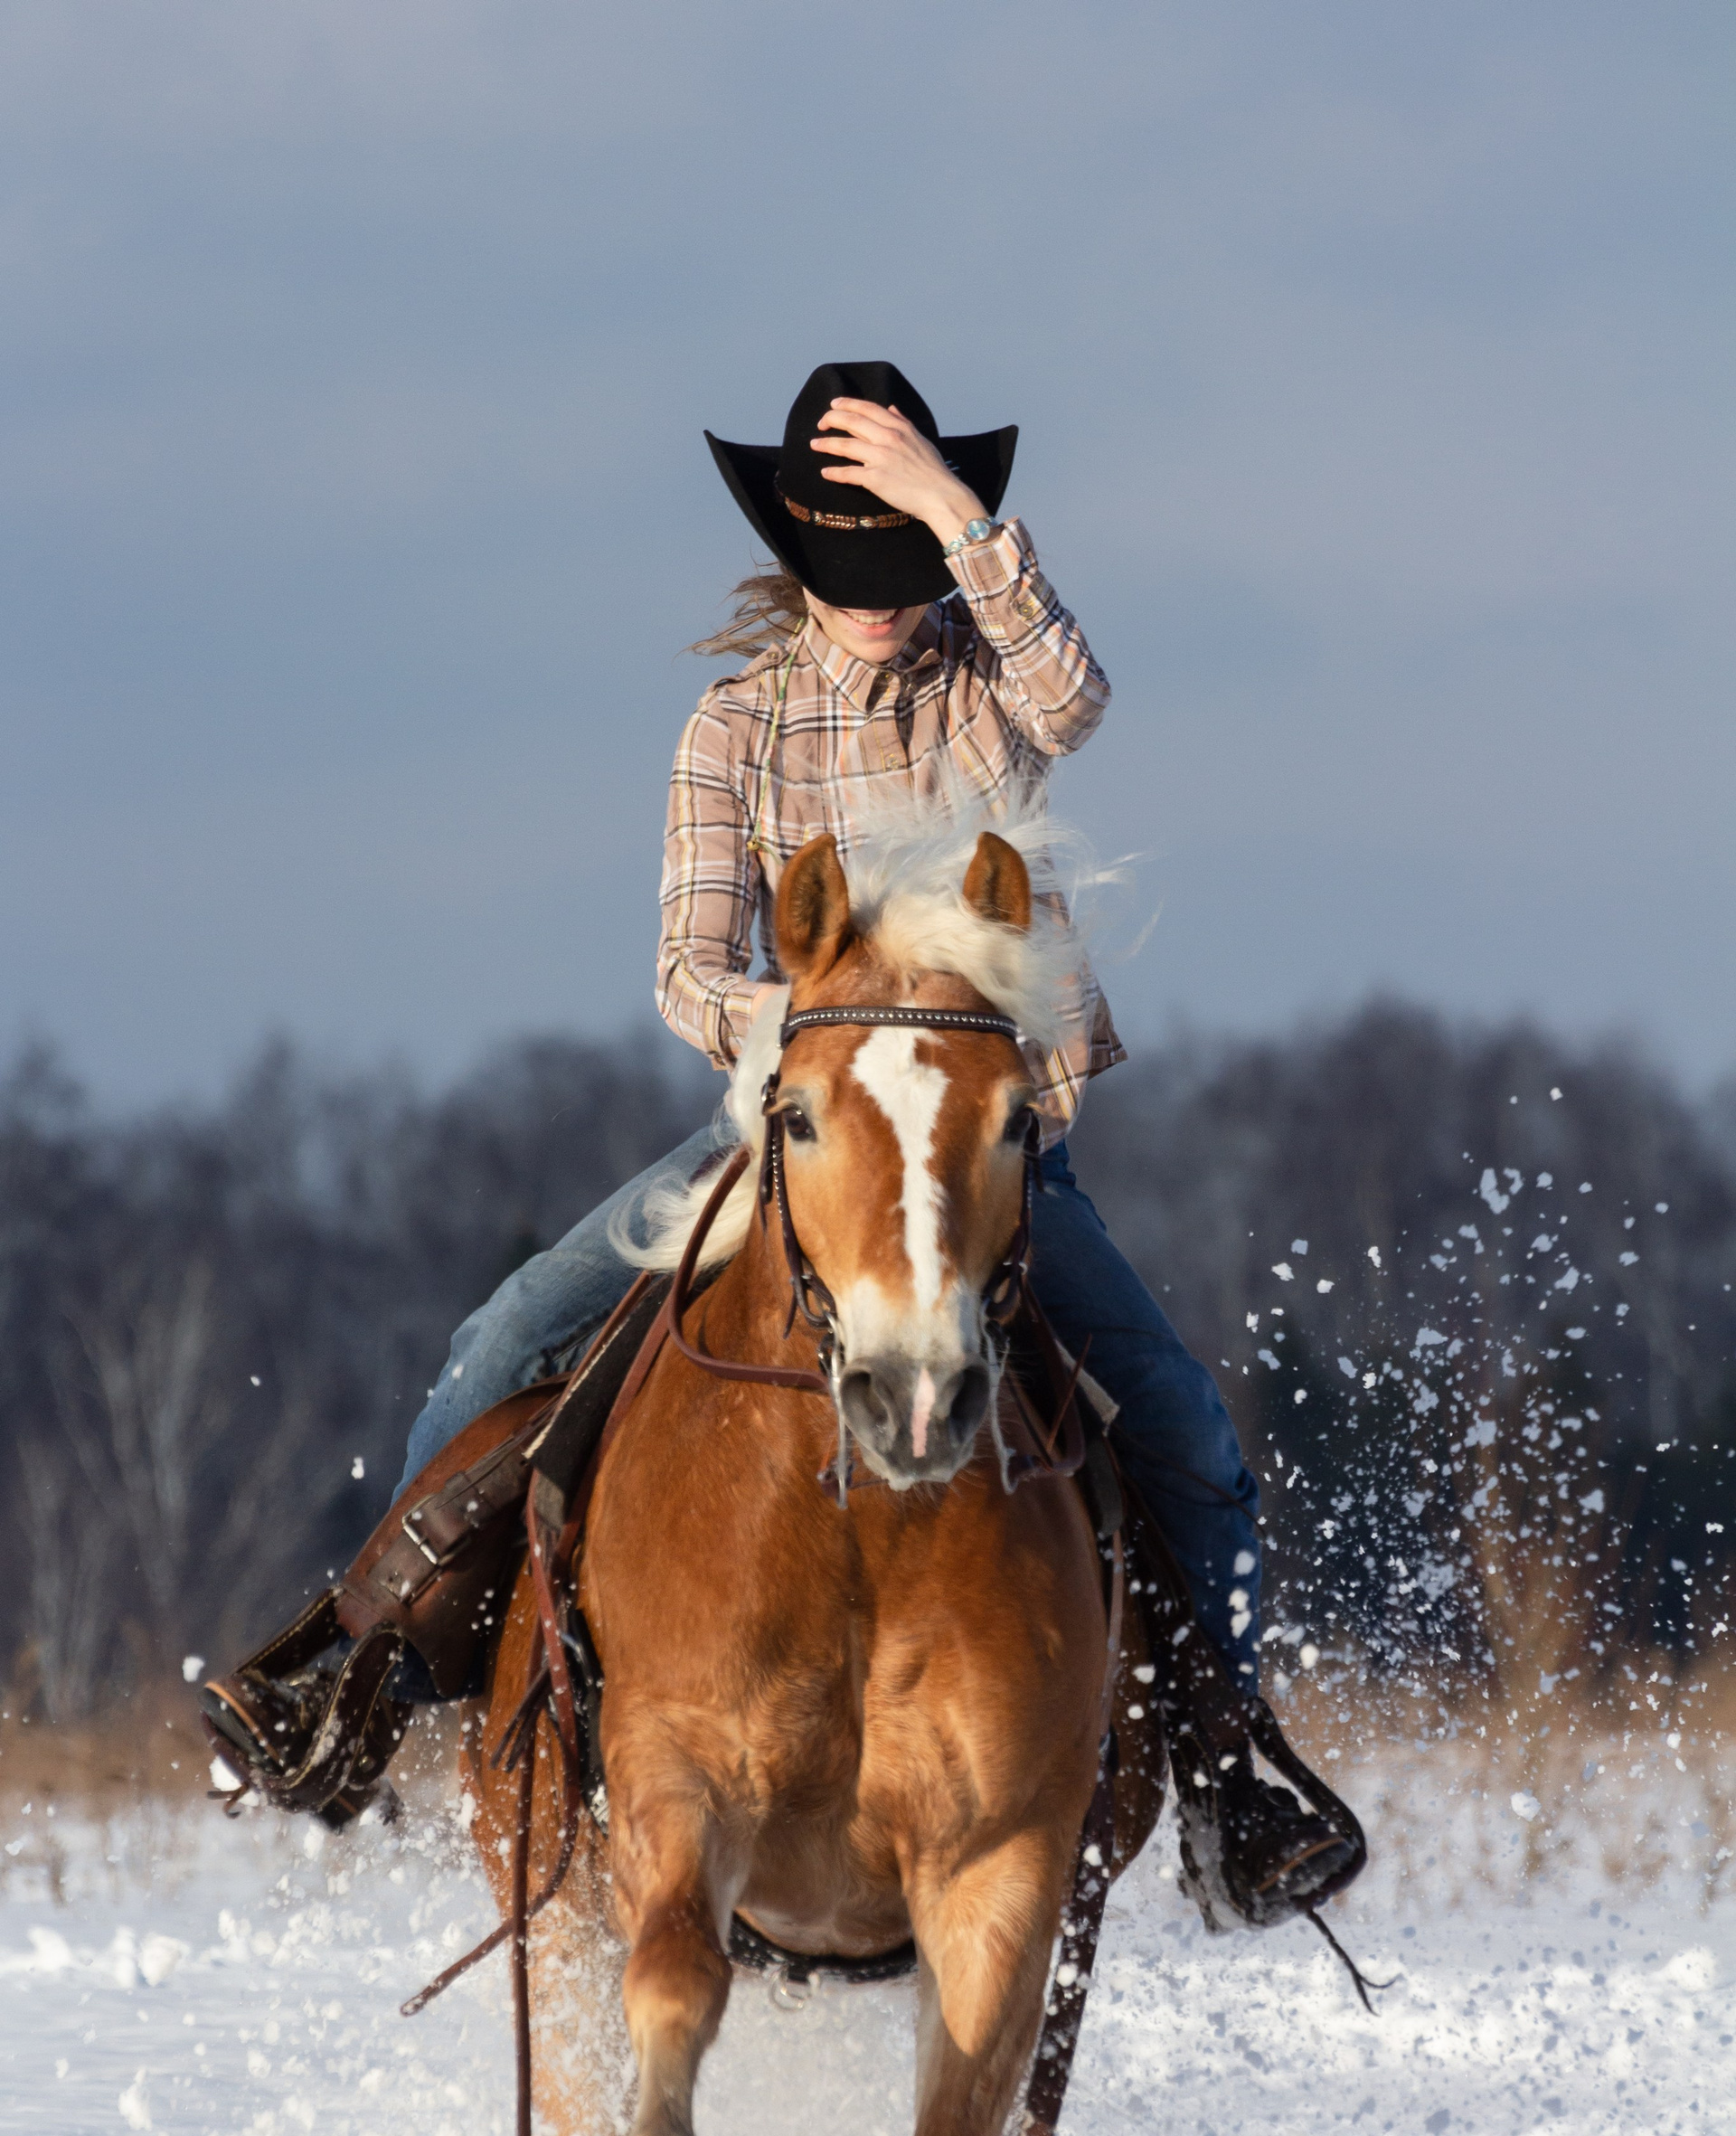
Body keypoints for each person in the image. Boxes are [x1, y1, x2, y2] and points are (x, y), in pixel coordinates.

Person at [211, 361, 1358, 1923]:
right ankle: (356, 1677)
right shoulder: (734, 726)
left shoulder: (985, 683)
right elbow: (686, 966)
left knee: (1177, 1419)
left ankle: (1232, 1771)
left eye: (901, 561)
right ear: (791, 554)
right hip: (787, 1140)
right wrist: (820, 1036)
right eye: (846, 564)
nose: (878, 599)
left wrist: (955, 508)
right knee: (509, 1336)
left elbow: (1076, 702)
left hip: (983, 1157)